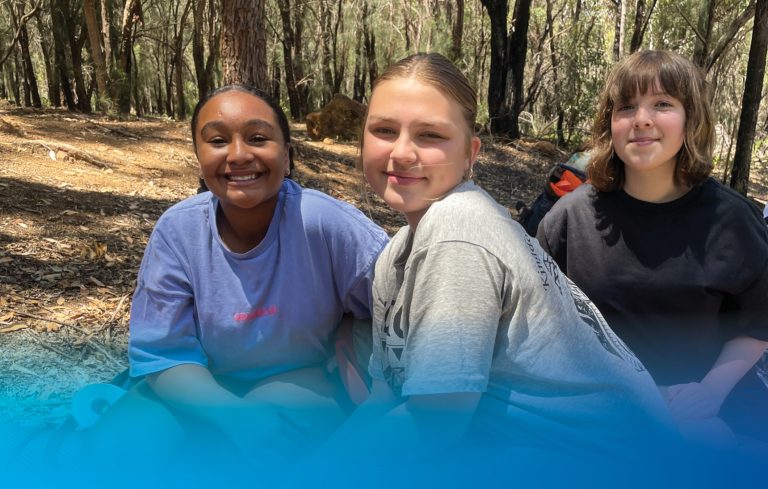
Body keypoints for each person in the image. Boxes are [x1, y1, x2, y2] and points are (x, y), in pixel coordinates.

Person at [313, 53, 677, 477]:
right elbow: (384, 397)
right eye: (384, 130)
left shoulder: (457, 229)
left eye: (430, 135)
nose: (402, 152)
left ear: (470, 153)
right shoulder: (395, 255)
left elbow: (435, 423)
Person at [84, 85, 388, 469]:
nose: (239, 154)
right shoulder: (178, 232)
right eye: (217, 141)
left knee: (256, 452)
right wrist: (235, 417)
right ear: (199, 158)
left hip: (306, 377)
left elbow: (404, 304)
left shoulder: (326, 223)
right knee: (112, 451)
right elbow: (163, 355)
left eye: (258, 138)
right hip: (199, 381)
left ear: (287, 157)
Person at [537, 50, 768, 447]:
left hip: (701, 407)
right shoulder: (569, 219)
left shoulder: (733, 220)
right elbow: (542, 329)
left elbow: (758, 322)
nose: (641, 119)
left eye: (662, 104)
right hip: (599, 407)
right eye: (626, 107)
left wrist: (709, 393)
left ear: (691, 119)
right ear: (610, 123)